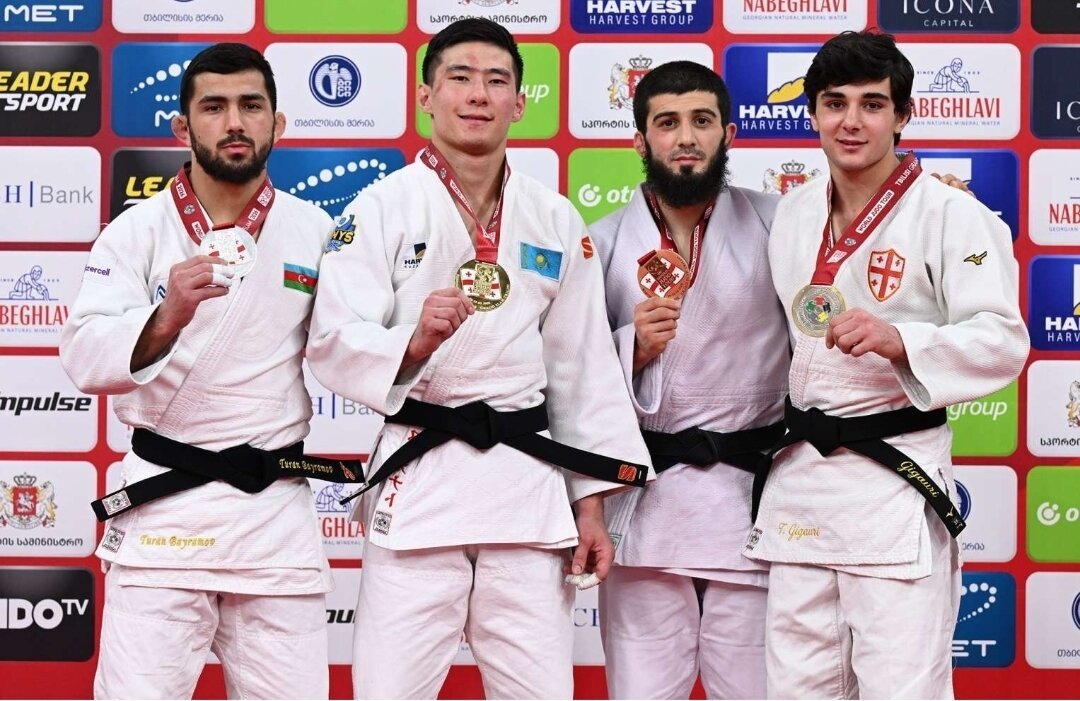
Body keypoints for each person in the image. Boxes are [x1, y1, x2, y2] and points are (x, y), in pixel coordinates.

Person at [305, 17, 653, 700]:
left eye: (496, 81)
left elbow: (582, 369)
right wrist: (411, 342)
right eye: (459, 78)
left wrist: (589, 506)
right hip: (420, 485)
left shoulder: (553, 217)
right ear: (426, 97)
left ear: (520, 103)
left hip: (524, 492)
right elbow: (333, 339)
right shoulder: (379, 208)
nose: (477, 94)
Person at [60, 43, 356, 699]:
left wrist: (412, 337)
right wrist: (165, 316)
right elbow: (82, 355)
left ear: (278, 123)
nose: (234, 123)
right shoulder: (135, 232)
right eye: (214, 107)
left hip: (271, 513)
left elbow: (349, 350)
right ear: (182, 127)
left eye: (251, 106)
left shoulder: (316, 231)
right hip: (167, 512)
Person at [745, 30, 1029, 699]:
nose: (851, 121)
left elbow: (1003, 339)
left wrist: (903, 340)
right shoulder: (793, 212)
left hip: (891, 481)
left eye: (872, 105)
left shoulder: (951, 214)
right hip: (802, 485)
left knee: (903, 687)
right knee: (796, 689)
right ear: (812, 112)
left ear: (902, 115)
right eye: (834, 103)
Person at [589, 61, 787, 700]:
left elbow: (850, 252)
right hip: (647, 506)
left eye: (702, 121)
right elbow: (566, 372)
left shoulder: (780, 224)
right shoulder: (601, 243)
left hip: (751, 502)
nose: (686, 138)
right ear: (640, 140)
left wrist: (933, 202)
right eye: (667, 122)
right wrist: (632, 350)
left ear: (728, 133)